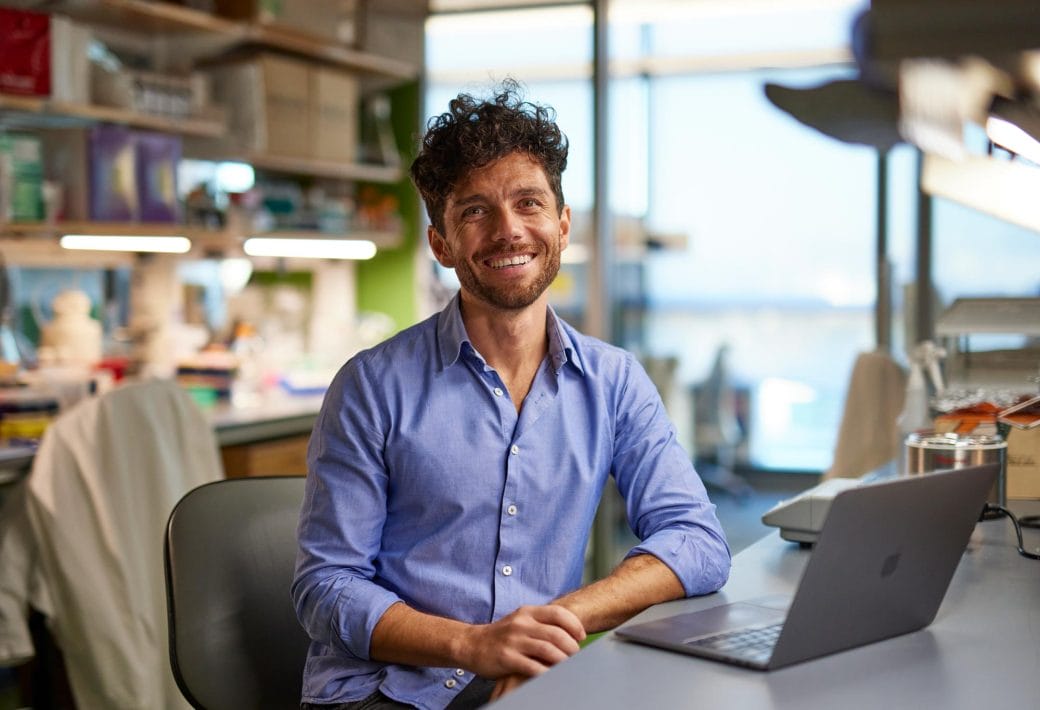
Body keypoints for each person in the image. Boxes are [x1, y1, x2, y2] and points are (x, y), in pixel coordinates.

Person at [292, 80, 731, 710]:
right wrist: (473, 645)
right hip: (383, 693)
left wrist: (548, 628)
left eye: (529, 203)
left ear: (562, 224)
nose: (508, 231)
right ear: (441, 242)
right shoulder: (370, 386)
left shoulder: (614, 381)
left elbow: (697, 540)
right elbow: (326, 587)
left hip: (530, 676)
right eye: (475, 211)